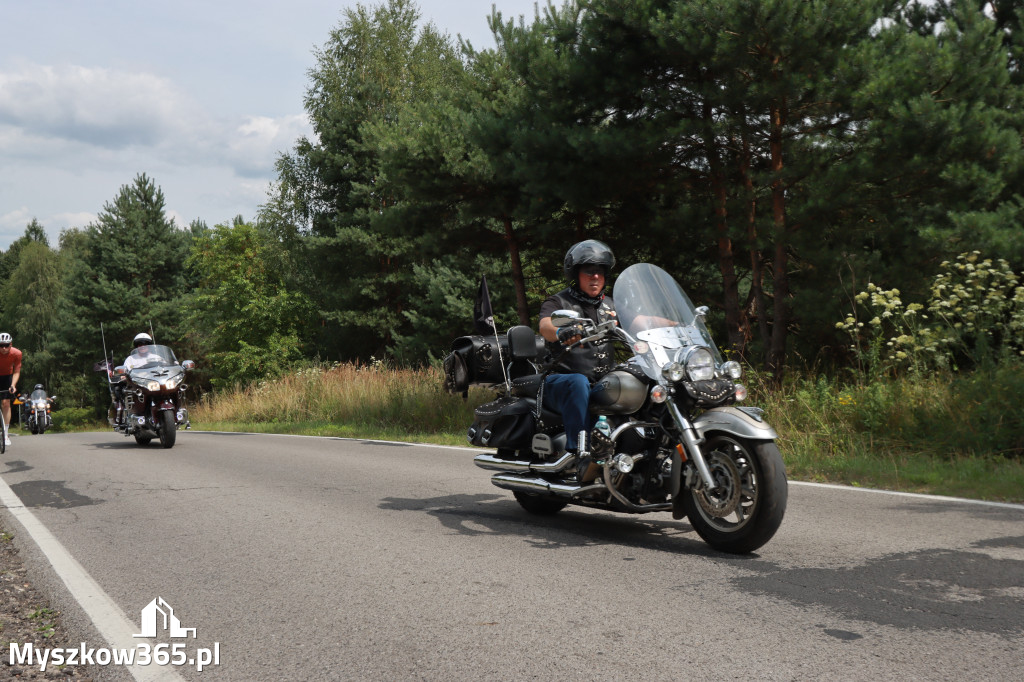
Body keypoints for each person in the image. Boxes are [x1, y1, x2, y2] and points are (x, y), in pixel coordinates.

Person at [538, 240, 618, 479]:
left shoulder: (611, 305)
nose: (595, 276)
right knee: (577, 382)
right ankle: (579, 455)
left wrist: (676, 324)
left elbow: (640, 320)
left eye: (600, 271)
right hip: (560, 381)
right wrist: (561, 332)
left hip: (602, 380)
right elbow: (545, 325)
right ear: (576, 274)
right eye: (588, 271)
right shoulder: (558, 302)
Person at [0, 332, 23, 446]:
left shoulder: (17, 353)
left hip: (8, 377)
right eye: (1, 345)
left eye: (6, 345)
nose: (3, 348)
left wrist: (13, 385)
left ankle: (5, 433)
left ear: (11, 344)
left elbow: (17, 371)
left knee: (6, 403)